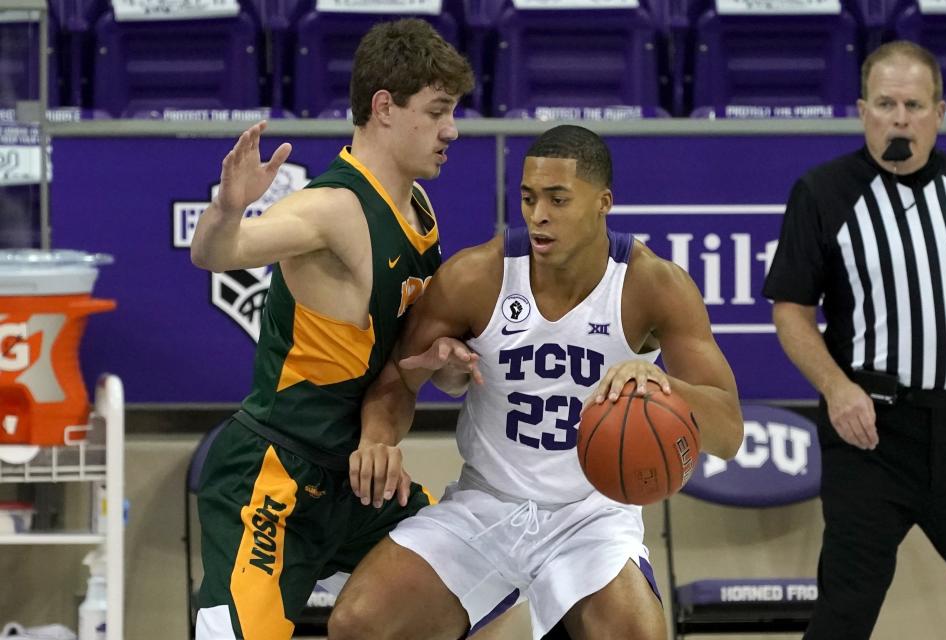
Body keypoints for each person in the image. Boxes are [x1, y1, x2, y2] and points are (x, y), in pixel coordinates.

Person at [326, 124, 744, 640]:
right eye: (528, 198)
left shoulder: (652, 286)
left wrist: (662, 384)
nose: (538, 215)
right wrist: (377, 437)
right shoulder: (477, 277)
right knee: (356, 624)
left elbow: (728, 433)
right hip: (487, 503)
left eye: (558, 199)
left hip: (591, 515)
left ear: (602, 202)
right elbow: (398, 379)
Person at [188, 18, 474, 639]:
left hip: (358, 482)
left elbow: (403, 370)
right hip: (273, 477)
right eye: (438, 111)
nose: (452, 129)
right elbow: (215, 254)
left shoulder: (420, 210)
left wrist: (442, 366)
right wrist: (227, 209)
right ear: (384, 108)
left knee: (478, 585)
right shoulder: (332, 208)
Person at [763, 41, 946, 640]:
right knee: (845, 610)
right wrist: (836, 387)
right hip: (870, 431)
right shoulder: (823, 192)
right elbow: (791, 310)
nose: (900, 118)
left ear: (939, 113)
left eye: (913, 104)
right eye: (885, 103)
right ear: (861, 111)